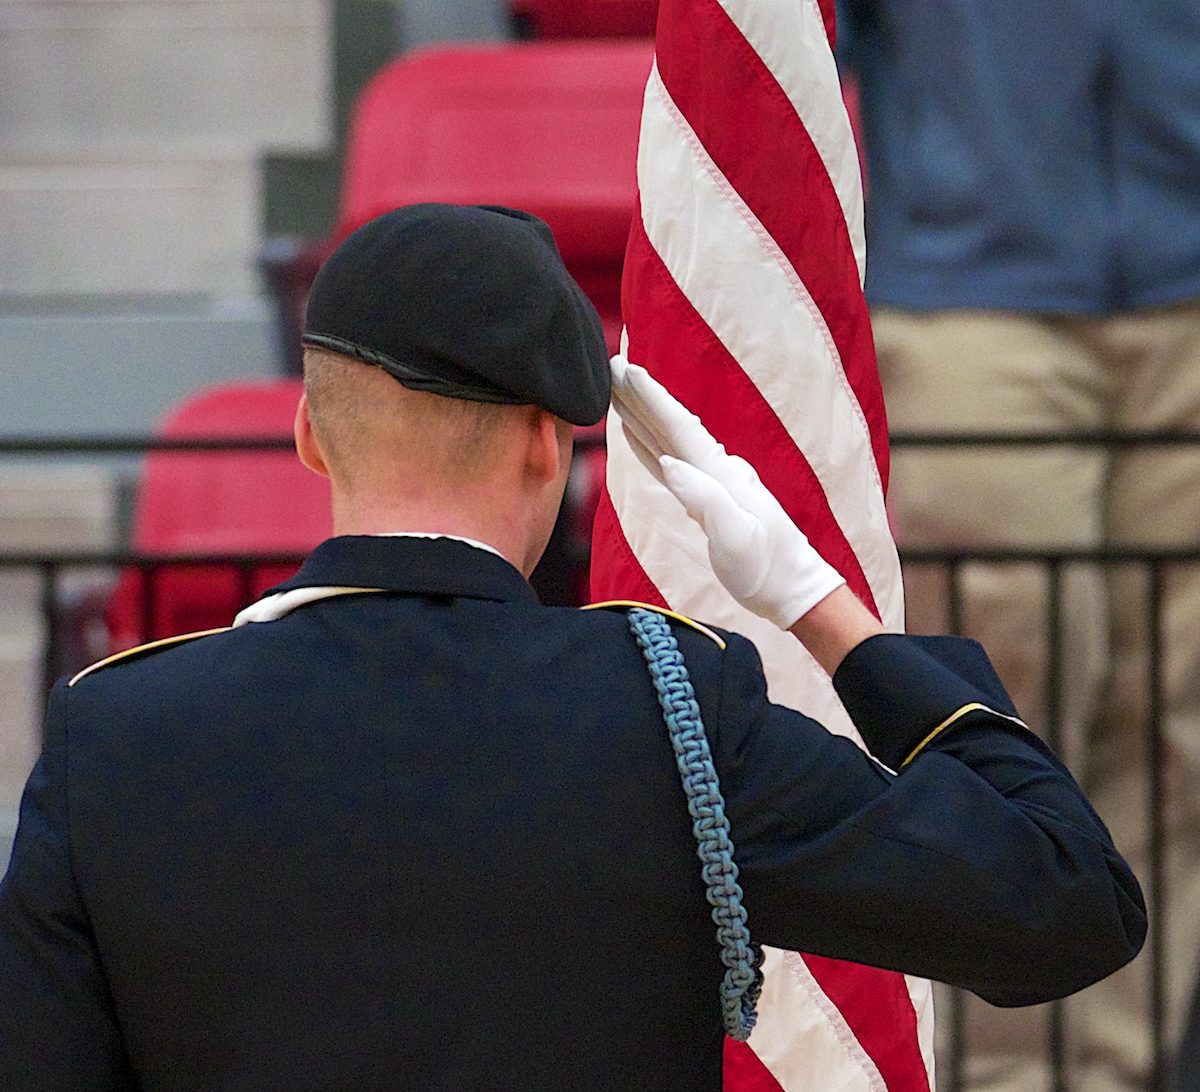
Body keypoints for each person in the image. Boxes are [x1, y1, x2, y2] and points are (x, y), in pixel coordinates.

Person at [0, 204, 1145, 1091]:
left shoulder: (118, 734)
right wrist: (821, 606)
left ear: (308, 433)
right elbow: (1062, 902)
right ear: (549, 447)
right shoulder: (666, 716)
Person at [835, 2, 1200, 1086]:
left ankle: (1118, 1071)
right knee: (1000, 715)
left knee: (1186, 733)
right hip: (972, 300)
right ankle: (996, 1077)